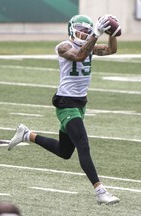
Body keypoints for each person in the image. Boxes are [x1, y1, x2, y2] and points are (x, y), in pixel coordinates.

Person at [8, 15, 120, 205]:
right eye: (81, 29)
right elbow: (78, 56)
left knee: (65, 151)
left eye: (86, 30)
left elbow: (111, 49)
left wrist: (113, 33)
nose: (84, 33)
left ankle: (27, 135)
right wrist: (95, 33)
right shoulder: (63, 47)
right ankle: (100, 191)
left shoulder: (89, 45)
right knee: (83, 145)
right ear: (70, 29)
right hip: (66, 103)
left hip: (80, 103)